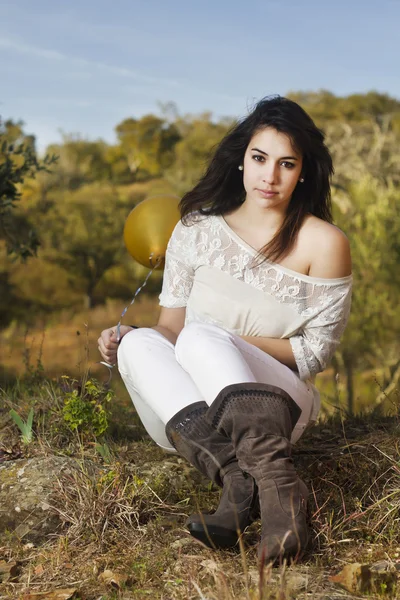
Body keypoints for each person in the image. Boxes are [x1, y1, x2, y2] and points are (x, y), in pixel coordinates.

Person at [98, 96, 352, 563]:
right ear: (241, 160)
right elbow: (171, 330)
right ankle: (237, 480)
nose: (269, 176)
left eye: (286, 164)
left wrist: (223, 338)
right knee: (139, 341)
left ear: (303, 172)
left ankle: (279, 493)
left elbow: (314, 355)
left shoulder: (324, 241)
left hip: (276, 410)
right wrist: (127, 339)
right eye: (259, 159)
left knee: (201, 334)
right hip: (194, 421)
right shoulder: (195, 229)